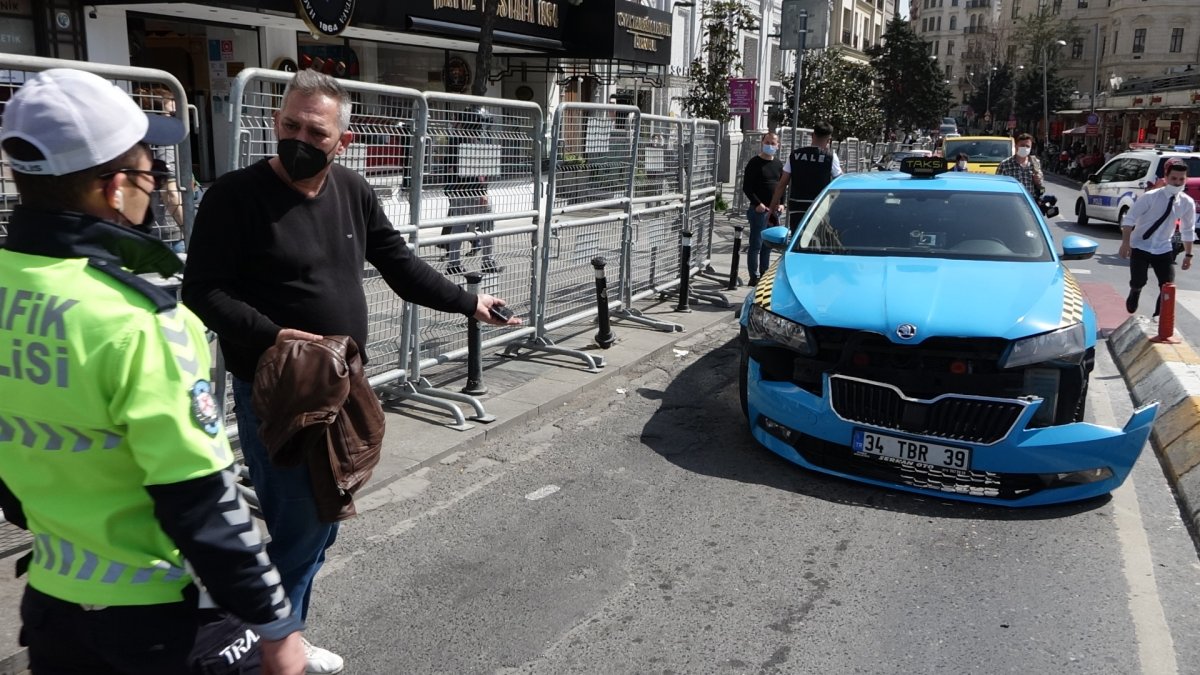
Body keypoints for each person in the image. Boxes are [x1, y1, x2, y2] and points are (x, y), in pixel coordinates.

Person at [181, 69, 519, 674]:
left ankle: (280, 631)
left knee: (324, 519)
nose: (297, 139)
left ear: (343, 139)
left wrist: (470, 302)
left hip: (342, 386)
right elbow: (202, 292)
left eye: (315, 130)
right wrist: (273, 334)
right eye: (288, 125)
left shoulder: (354, 192)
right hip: (278, 393)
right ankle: (269, 644)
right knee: (302, 522)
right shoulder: (233, 196)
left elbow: (399, 264)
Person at [0, 68, 304, 674]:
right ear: (114, 189)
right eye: (149, 172)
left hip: (55, 607)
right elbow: (203, 498)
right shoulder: (137, 318)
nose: (154, 185)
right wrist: (276, 625)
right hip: (163, 623)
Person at [1119, 159, 1197, 316]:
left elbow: (1188, 230)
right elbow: (1129, 219)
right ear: (1166, 178)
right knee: (1139, 280)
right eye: (1174, 178)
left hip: (1163, 248)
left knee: (1167, 285)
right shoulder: (1150, 197)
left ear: (1186, 179)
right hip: (1140, 245)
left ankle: (1157, 318)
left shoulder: (1187, 203)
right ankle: (1135, 291)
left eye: (1181, 179)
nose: (1177, 183)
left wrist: (1188, 255)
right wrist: (1126, 243)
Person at [442, 107, 502, 276]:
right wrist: (482, 191)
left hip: (458, 191)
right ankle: (488, 262)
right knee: (487, 225)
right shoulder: (471, 141)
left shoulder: (454, 139)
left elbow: (450, 166)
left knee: (458, 227)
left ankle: (453, 263)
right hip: (472, 191)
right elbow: (477, 169)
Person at [768, 121, 842, 230]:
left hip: (797, 208)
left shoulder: (795, 155)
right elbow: (840, 181)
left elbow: (782, 184)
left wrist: (771, 209)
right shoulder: (830, 157)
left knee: (797, 239)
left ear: (812, 136)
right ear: (828, 140)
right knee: (816, 241)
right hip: (819, 208)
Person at [740, 131, 784, 285]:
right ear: (762, 143)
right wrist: (757, 203)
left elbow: (781, 185)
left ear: (778, 146)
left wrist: (782, 203)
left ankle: (765, 274)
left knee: (768, 245)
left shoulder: (778, 164)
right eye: (768, 142)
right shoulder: (754, 163)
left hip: (773, 211)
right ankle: (754, 276)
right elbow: (747, 187)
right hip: (759, 211)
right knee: (756, 244)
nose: (770, 145)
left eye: (773, 143)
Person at [996, 132, 1044, 198]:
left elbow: (1040, 184)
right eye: (1022, 145)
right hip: (1012, 200)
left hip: (1030, 201)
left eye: (1027, 146)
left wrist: (1038, 181)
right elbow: (998, 186)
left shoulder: (1035, 162)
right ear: (1016, 146)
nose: (1025, 148)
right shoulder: (1005, 164)